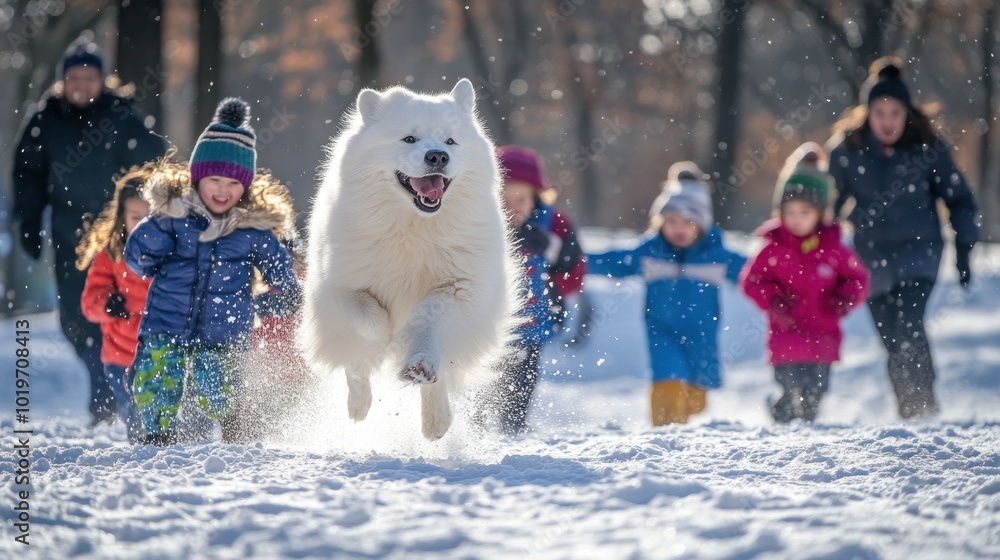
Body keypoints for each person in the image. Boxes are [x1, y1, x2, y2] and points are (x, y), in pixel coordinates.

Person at [124, 98, 299, 446]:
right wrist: (157, 226)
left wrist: (286, 290)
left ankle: (235, 434)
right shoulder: (173, 218)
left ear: (246, 186)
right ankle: (157, 436)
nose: (223, 189)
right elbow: (137, 258)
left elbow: (277, 264)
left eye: (234, 183)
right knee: (157, 379)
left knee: (218, 388)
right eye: (214, 179)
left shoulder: (252, 230)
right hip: (167, 321)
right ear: (197, 177)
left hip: (223, 327)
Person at [12, 38, 167, 425]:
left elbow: (154, 165)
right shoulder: (44, 121)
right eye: (74, 77)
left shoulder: (120, 117)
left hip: (120, 239)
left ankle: (111, 397)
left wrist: (158, 214)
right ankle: (104, 385)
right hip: (72, 237)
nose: (81, 84)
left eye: (89, 77)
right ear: (63, 80)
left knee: (123, 310)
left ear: (103, 80)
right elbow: (27, 175)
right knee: (76, 317)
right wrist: (28, 221)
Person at [827, 57, 980, 418]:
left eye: (894, 112)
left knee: (909, 325)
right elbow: (826, 204)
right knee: (892, 339)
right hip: (871, 258)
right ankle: (908, 406)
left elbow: (959, 200)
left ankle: (922, 404)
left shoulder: (928, 148)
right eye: (879, 112)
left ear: (906, 112)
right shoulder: (847, 150)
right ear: (867, 113)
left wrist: (963, 250)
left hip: (919, 252)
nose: (887, 121)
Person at [587, 162, 746, 426]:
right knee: (668, 383)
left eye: (688, 221)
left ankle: (679, 420)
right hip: (662, 331)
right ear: (659, 221)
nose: (679, 228)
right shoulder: (650, 252)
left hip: (702, 335)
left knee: (697, 398)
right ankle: (665, 436)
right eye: (671, 221)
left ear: (703, 224)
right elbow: (615, 260)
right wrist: (574, 262)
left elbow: (755, 272)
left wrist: (786, 277)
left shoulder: (717, 255)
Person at [741, 146, 870, 423]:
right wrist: (773, 300)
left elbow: (857, 278)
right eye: (790, 212)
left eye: (805, 212)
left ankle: (802, 430)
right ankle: (784, 417)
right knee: (792, 387)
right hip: (785, 334)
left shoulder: (833, 248)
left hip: (823, 335)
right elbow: (751, 280)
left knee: (816, 391)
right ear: (780, 212)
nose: (797, 219)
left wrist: (844, 297)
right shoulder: (772, 247)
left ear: (821, 214)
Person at [76, 168, 154, 441]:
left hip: (160, 356)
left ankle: (171, 460)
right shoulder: (110, 256)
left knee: (161, 416)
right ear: (122, 218)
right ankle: (142, 457)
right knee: (136, 420)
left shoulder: (171, 252)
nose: (144, 225)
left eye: (151, 217)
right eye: (136, 218)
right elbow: (89, 304)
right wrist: (108, 304)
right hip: (121, 358)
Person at [495, 145, 588, 346]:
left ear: (536, 198)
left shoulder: (555, 227)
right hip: (491, 329)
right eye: (503, 199)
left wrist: (552, 286)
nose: (512, 208)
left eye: (521, 200)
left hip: (534, 325)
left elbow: (574, 270)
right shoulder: (479, 226)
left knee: (524, 376)